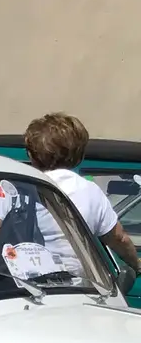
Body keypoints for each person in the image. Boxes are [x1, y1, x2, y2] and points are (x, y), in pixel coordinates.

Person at [23, 112, 141, 277]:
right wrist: (136, 265)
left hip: (24, 281)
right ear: (79, 153)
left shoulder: (22, 188)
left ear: (33, 155)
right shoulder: (89, 191)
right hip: (77, 286)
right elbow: (118, 238)